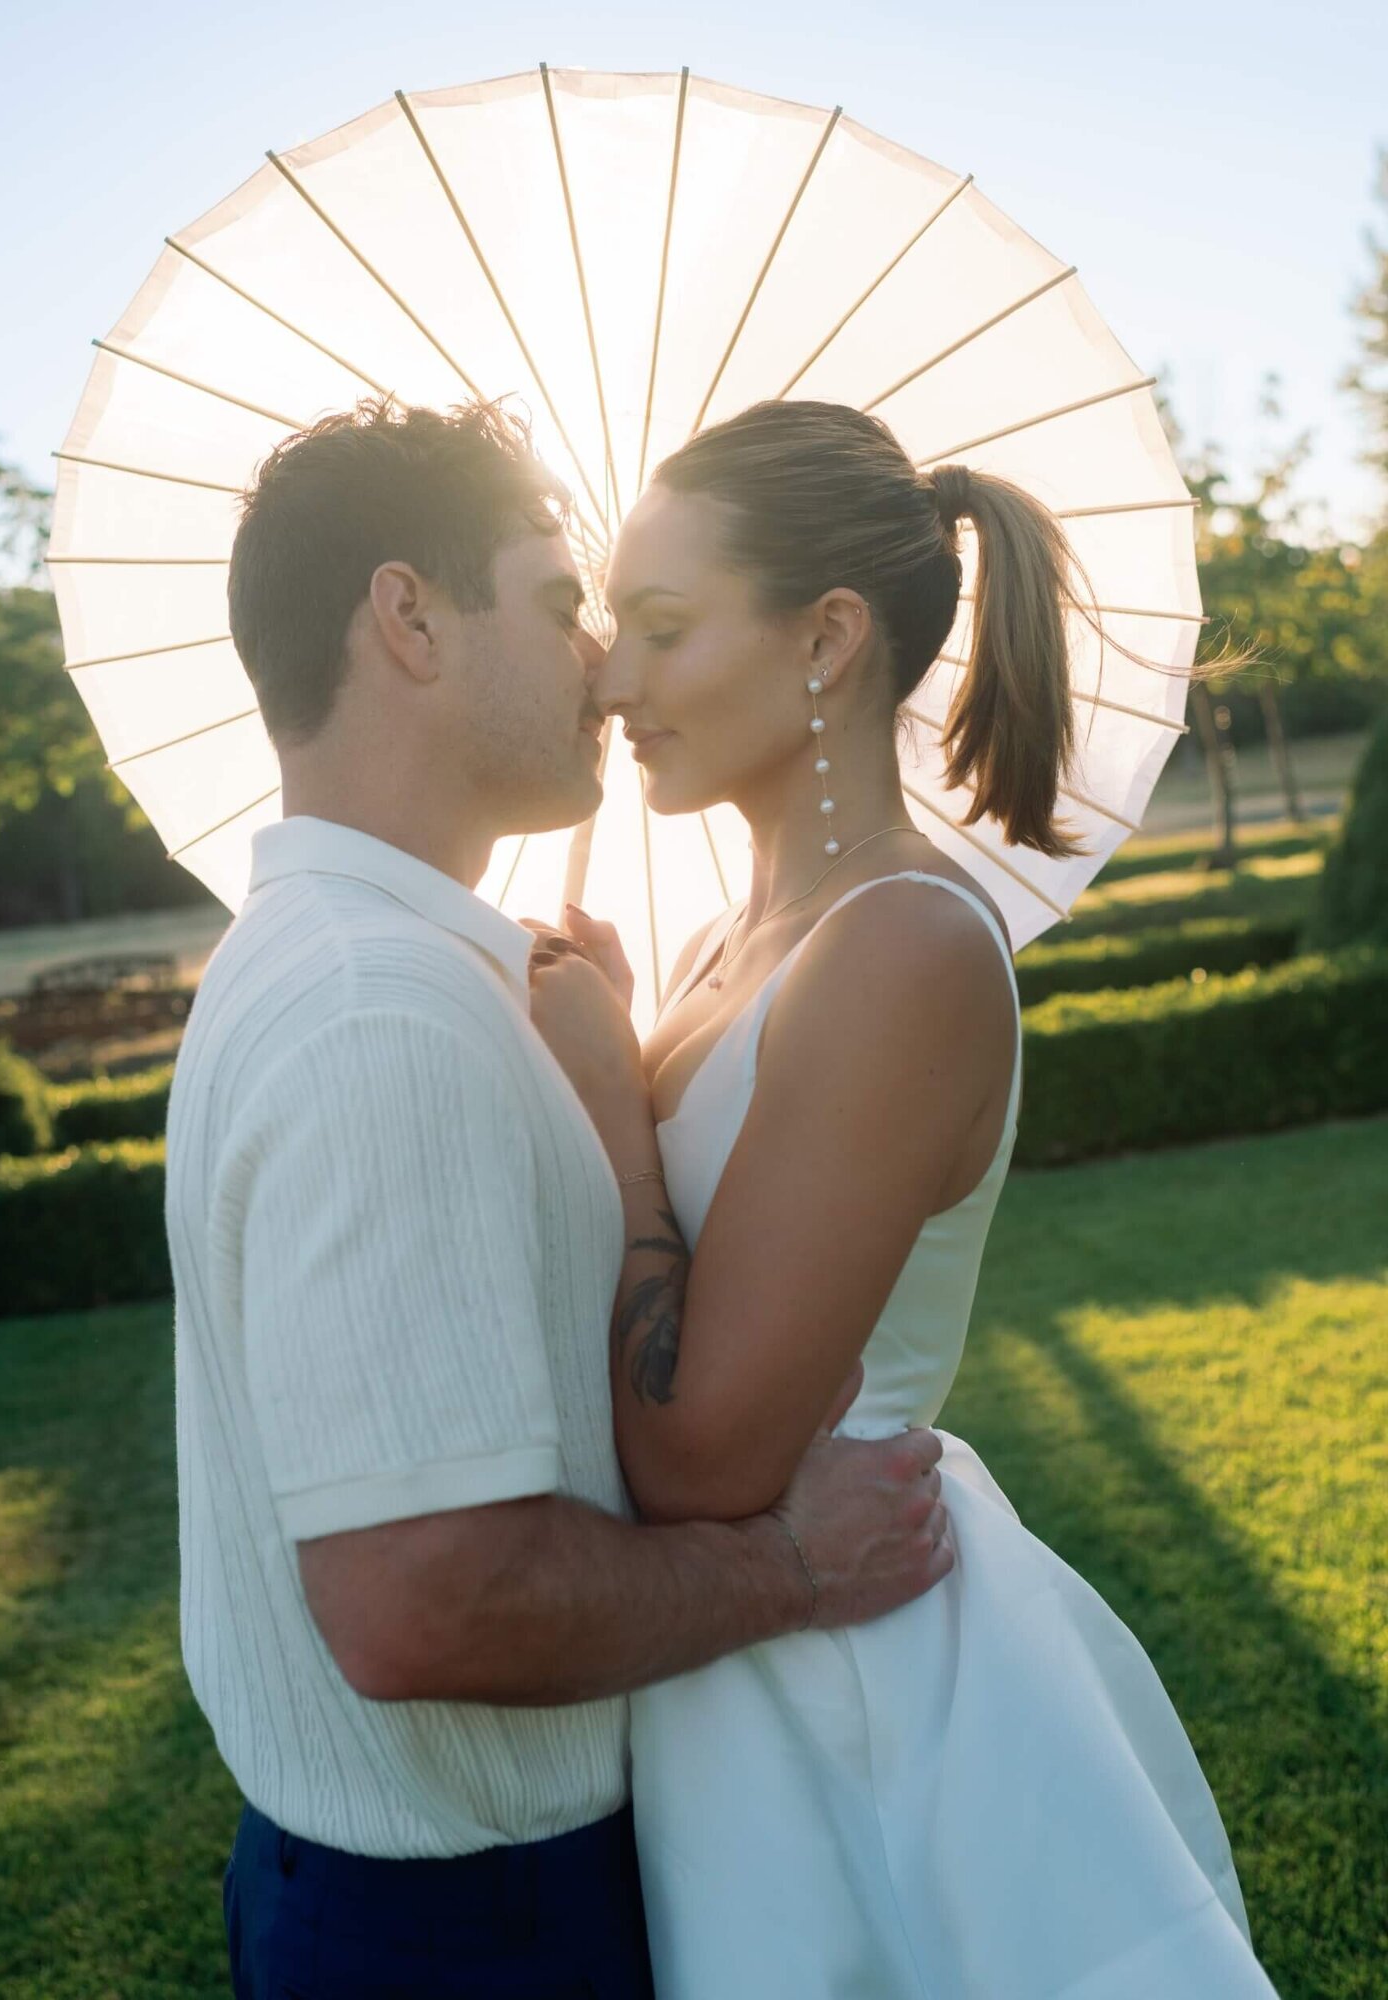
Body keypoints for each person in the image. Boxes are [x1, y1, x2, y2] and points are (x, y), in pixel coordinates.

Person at [163, 396, 954, 2000]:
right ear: (407, 619)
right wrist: (791, 1573)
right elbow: (423, 1606)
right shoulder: (383, 1014)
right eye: (560, 598)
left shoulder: (378, 976)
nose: (596, 660)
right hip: (468, 1933)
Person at [526, 398, 1280, 1998]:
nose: (609, 678)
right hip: (734, 1677)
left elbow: (704, 1456)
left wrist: (613, 1111)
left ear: (830, 639)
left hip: (858, 1683)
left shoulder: (903, 948)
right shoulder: (742, 946)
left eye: (662, 629)